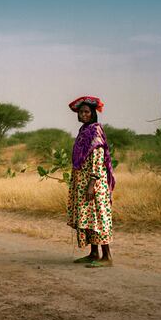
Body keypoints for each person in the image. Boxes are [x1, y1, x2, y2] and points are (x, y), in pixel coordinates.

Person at [67, 96, 115, 267]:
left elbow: (97, 156)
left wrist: (92, 183)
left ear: (93, 113)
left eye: (87, 111)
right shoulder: (83, 130)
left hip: (93, 182)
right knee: (89, 217)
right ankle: (94, 253)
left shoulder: (95, 131)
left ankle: (107, 256)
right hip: (83, 182)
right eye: (81, 112)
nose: (83, 114)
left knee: (98, 217)